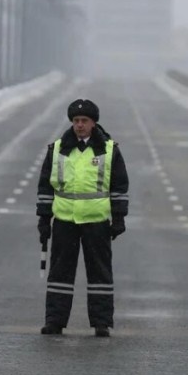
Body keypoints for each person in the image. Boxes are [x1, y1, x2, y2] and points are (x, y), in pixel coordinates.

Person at [36, 98, 129, 337]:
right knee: (59, 275)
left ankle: (101, 323)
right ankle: (54, 321)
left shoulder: (109, 150)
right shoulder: (57, 149)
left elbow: (119, 185)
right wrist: (44, 220)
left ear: (93, 123)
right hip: (65, 221)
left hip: (96, 222)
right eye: (76, 121)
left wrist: (118, 217)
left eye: (84, 121)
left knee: (99, 274)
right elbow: (46, 187)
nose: (79, 125)